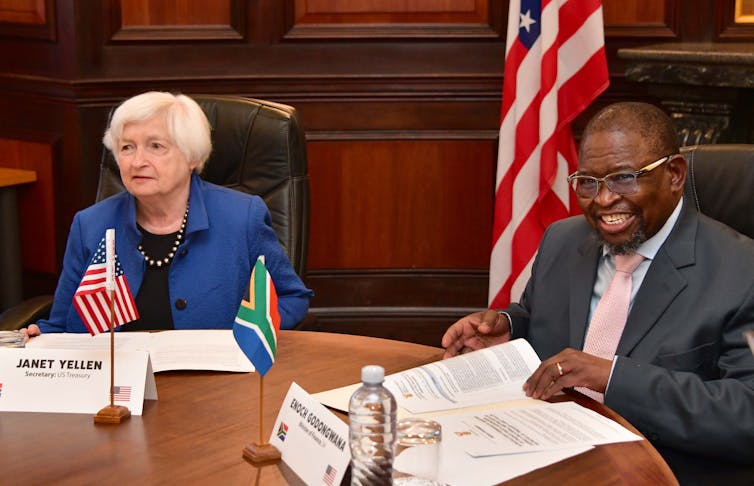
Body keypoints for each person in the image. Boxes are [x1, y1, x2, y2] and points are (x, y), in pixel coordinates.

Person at [442, 102, 754, 478]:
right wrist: (508, 328)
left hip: (656, 472)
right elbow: (539, 318)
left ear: (674, 174)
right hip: (543, 457)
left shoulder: (741, 271)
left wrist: (612, 377)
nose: (603, 200)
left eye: (625, 177)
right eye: (588, 182)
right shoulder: (563, 239)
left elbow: (745, 414)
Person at [24, 91, 312, 337]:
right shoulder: (90, 224)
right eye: (127, 147)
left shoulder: (241, 217)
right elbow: (61, 324)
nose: (137, 161)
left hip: (214, 384)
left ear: (192, 157)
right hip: (116, 390)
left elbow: (291, 297)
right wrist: (38, 335)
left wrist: (245, 340)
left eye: (156, 146)